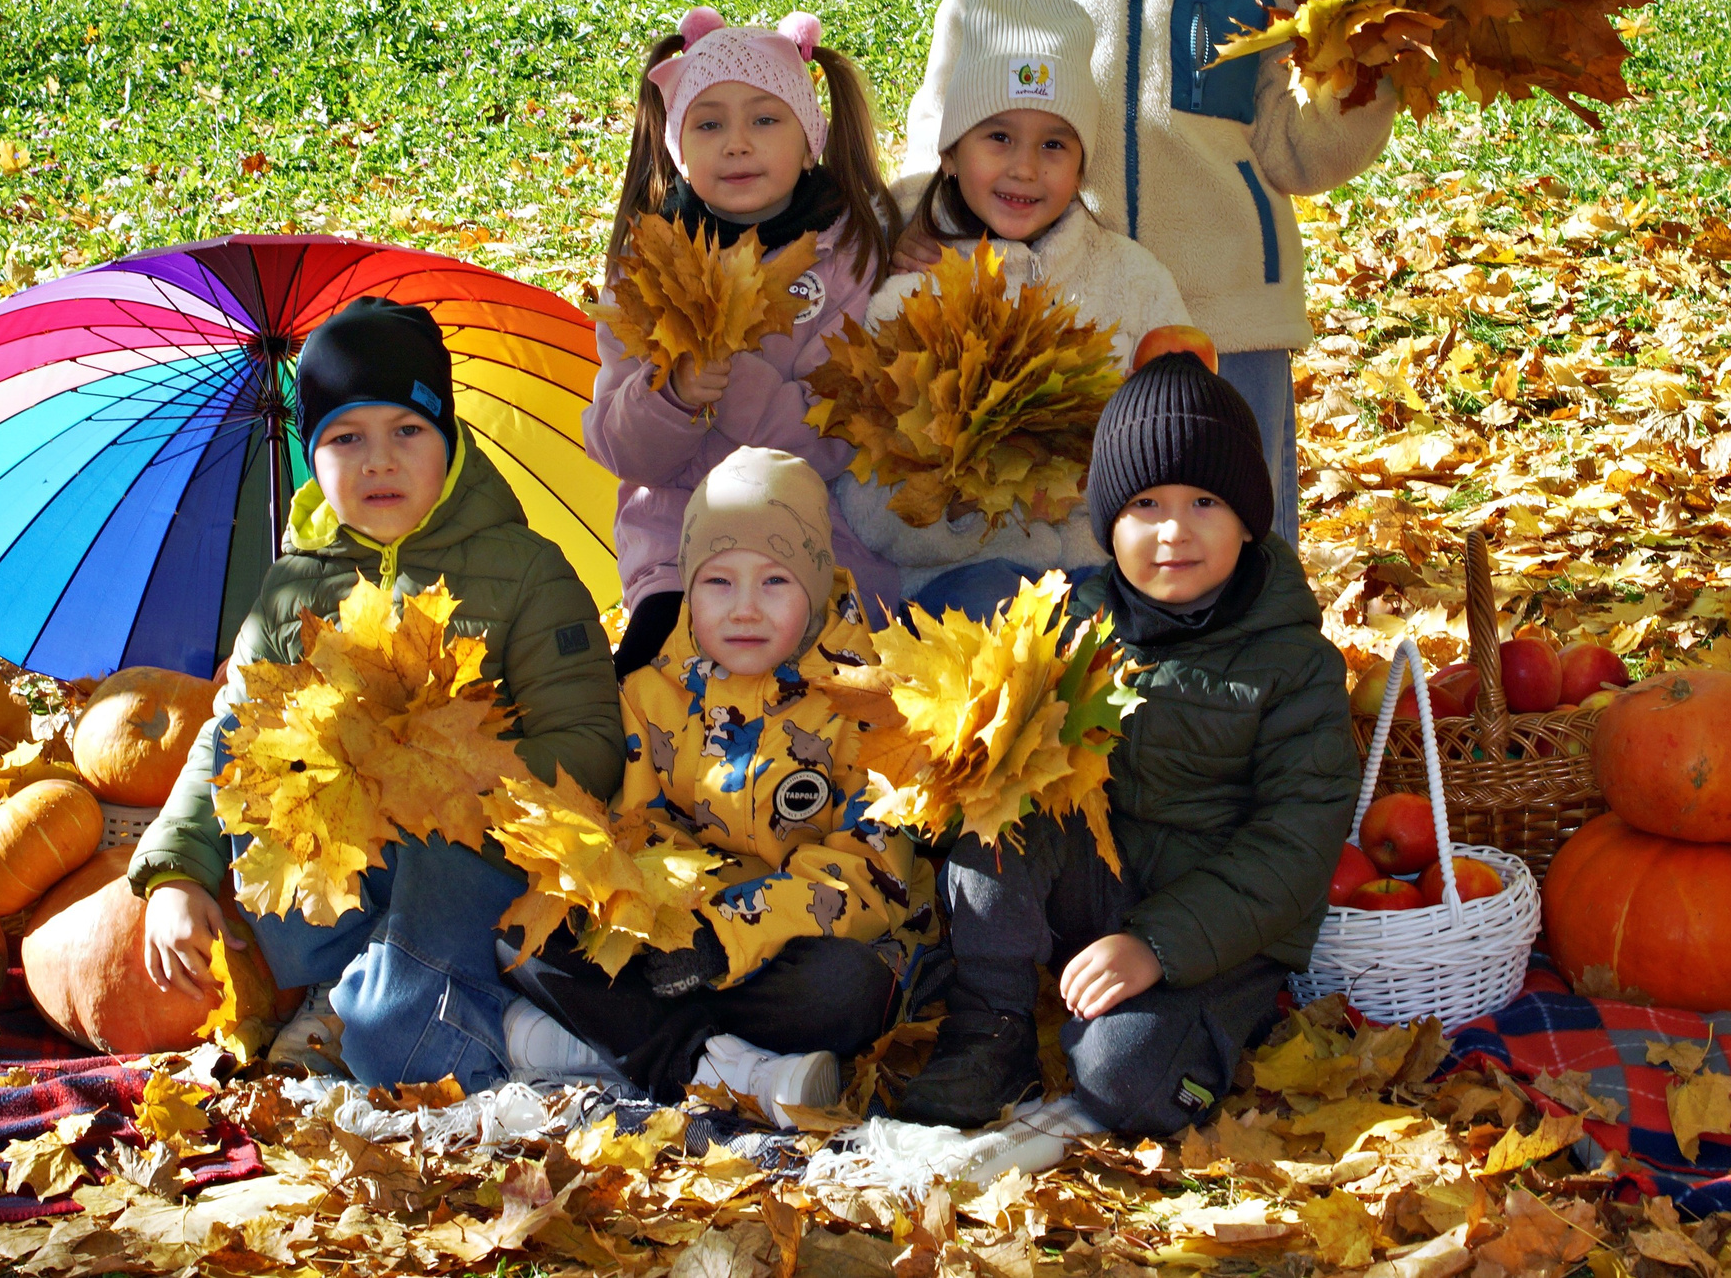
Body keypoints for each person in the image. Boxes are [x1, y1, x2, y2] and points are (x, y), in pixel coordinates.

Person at [900, 0, 1402, 545]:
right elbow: (944, 111)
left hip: (1228, 316)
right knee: (1072, 533)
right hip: (1059, 316)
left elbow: (1291, 148)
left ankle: (1251, 672)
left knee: (1236, 531)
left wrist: (1372, 71)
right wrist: (915, 214)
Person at [132, 298, 623, 1091]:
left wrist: (451, 774)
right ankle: (374, 993)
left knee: (431, 896)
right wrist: (175, 874)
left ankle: (412, 1023)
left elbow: (591, 739)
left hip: (480, 863)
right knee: (266, 777)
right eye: (345, 438)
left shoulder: (526, 570)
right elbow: (227, 737)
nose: (378, 461)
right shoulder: (291, 590)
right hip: (348, 879)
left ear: (450, 439)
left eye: (408, 430)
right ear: (310, 455)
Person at [892, 351, 1358, 1137]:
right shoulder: (1072, 623)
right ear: (1109, 522)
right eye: (1145, 503)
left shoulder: (1295, 664)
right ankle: (991, 1026)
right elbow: (1004, 758)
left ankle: (1179, 1036)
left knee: (1123, 1080)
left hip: (1216, 932)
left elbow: (1292, 847)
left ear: (1249, 517)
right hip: (1096, 881)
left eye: (1205, 500)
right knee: (995, 814)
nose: (1174, 531)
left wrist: (1154, 945)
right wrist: (944, 776)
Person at [501, 448, 935, 1125]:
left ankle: (613, 1042)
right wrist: (663, 917)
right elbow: (637, 827)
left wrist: (724, 936)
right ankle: (718, 1066)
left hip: (794, 944)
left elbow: (871, 872)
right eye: (718, 582)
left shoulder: (869, 699)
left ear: (817, 583)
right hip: (680, 938)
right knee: (523, 930)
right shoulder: (650, 688)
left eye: (774, 582)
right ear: (689, 586)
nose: (744, 609)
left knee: (847, 989)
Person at [839, 0, 1188, 620]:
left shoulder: (1135, 285)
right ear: (949, 153)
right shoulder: (906, 292)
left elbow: (1179, 443)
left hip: (1107, 570)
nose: (1025, 169)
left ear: (1083, 164)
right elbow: (866, 491)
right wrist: (974, 516)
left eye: (1054, 144)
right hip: (956, 578)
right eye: (998, 137)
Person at [588, 7, 903, 678]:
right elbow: (619, 449)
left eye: (765, 119)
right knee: (646, 694)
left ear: (809, 139)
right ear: (678, 146)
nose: (737, 143)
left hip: (819, 545)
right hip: (679, 551)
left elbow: (838, 433)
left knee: (847, 718)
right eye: (709, 124)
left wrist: (735, 381)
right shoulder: (646, 266)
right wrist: (671, 397)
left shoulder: (850, 259)